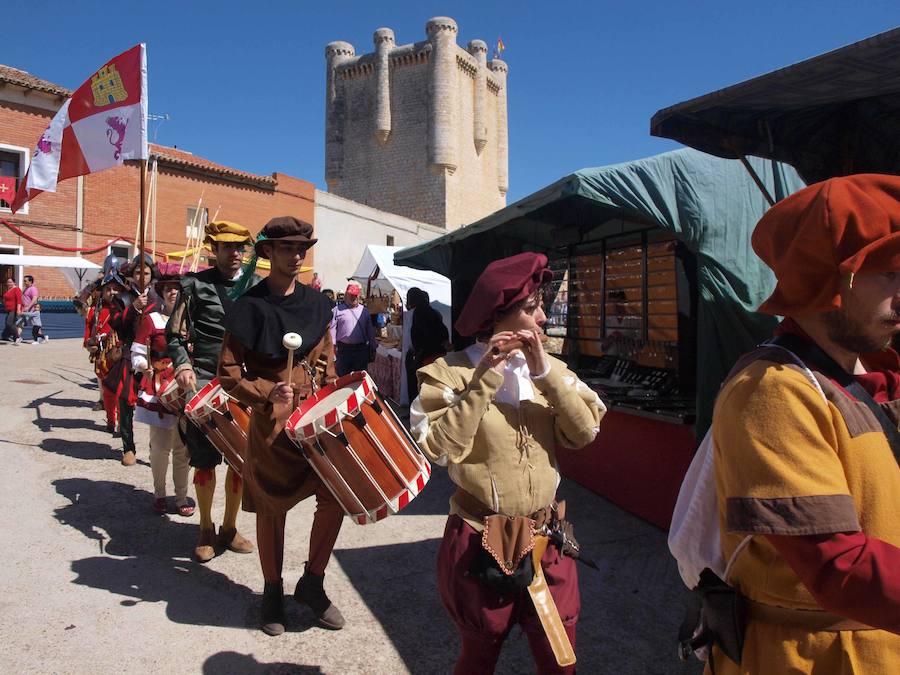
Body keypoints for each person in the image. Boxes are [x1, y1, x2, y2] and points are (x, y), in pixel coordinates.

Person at [706, 175, 900, 673]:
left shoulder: (875, 374)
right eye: (892, 274)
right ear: (831, 280)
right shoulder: (772, 388)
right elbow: (840, 566)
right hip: (817, 660)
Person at [410, 252, 606, 674]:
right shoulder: (449, 373)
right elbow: (439, 450)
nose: (541, 318)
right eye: (532, 308)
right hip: (482, 539)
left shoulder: (551, 369)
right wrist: (484, 381)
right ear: (501, 314)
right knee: (481, 654)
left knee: (559, 657)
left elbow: (584, 433)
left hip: (546, 537)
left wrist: (544, 375)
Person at [218, 216, 345, 636]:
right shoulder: (247, 308)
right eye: (287, 248)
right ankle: (272, 591)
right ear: (267, 252)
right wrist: (265, 392)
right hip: (271, 423)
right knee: (271, 507)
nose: (296, 256)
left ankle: (313, 582)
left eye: (301, 249)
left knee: (335, 496)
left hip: (314, 419)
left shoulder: (317, 305)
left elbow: (327, 360)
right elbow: (228, 372)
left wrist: (328, 397)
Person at [166, 221, 257, 563]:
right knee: (204, 459)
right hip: (203, 380)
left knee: (239, 461)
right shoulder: (193, 285)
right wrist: (182, 365)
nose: (234, 253)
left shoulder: (255, 287)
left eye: (239, 247)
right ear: (214, 250)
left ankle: (230, 528)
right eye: (227, 247)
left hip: (243, 384)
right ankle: (205, 528)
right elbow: (173, 335)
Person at [132, 269, 194, 516]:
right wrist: (145, 367)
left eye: (177, 288)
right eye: (167, 288)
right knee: (159, 448)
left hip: (184, 388)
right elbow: (137, 351)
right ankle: (159, 493)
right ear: (161, 292)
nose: (172, 292)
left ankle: (180, 497)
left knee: (183, 449)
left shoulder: (192, 320)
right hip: (159, 388)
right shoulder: (151, 320)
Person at [107, 255, 160, 466]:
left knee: (156, 403)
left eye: (145, 272)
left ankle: (155, 448)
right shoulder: (123, 298)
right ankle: (128, 447)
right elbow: (116, 324)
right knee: (126, 402)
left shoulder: (159, 297)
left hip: (155, 357)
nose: (141, 276)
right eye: (137, 272)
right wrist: (134, 307)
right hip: (130, 354)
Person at [84, 273, 124, 433]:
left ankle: (122, 423)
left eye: (115, 289)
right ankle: (110, 421)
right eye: (109, 289)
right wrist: (90, 343)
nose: (112, 292)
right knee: (107, 392)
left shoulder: (124, 308)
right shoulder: (94, 310)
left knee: (121, 391)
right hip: (102, 356)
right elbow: (88, 334)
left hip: (119, 354)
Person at [405, 287, 449, 400]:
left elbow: (418, 336)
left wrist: (418, 351)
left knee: (416, 386)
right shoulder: (434, 313)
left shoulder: (418, 313)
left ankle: (414, 413)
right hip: (435, 354)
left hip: (423, 355)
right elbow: (443, 333)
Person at [330, 281, 376, 376]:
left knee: (360, 377)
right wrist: (332, 350)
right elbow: (332, 331)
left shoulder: (364, 311)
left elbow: (370, 330)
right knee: (343, 378)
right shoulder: (337, 310)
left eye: (355, 295)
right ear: (346, 295)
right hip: (344, 350)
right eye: (351, 295)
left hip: (361, 350)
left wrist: (373, 345)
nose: (353, 297)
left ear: (358, 296)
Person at [18, 275, 47, 343]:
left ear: (30, 281)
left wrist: (28, 307)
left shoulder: (33, 289)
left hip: (31, 311)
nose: (24, 282)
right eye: (24, 281)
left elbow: (34, 299)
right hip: (26, 310)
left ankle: (17, 337)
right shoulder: (26, 289)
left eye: (25, 281)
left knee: (21, 323)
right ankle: (42, 338)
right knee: (35, 326)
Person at [2, 278, 23, 343]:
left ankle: (17, 337)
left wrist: (18, 309)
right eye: (8, 282)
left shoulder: (16, 289)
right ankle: (6, 336)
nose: (9, 283)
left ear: (14, 283)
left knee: (9, 323)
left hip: (14, 309)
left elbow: (19, 300)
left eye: (10, 282)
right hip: (8, 309)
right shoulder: (9, 290)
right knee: (8, 323)